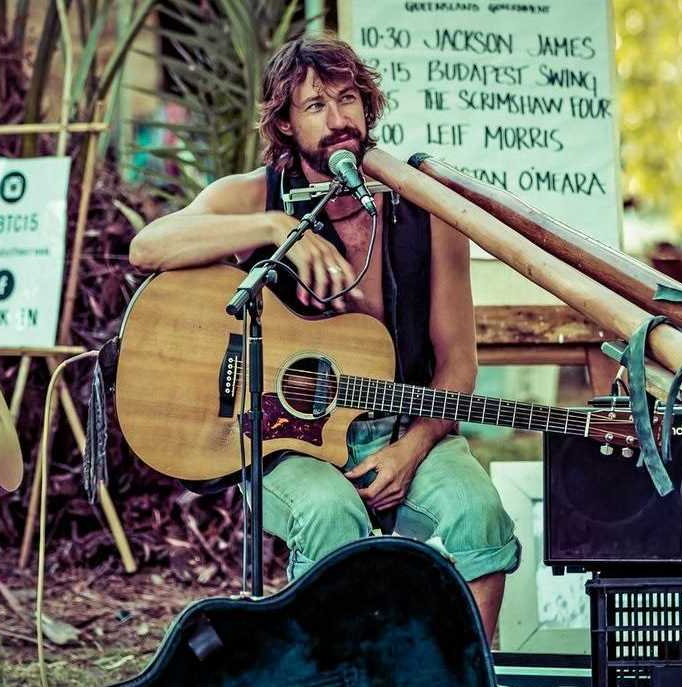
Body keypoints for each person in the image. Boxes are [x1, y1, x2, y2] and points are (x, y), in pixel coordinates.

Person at [129, 33, 520, 647]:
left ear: (368, 106)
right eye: (315, 106)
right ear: (284, 122)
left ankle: (472, 673)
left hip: (404, 427)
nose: (338, 120)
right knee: (329, 513)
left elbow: (458, 367)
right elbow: (147, 246)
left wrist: (410, 452)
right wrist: (277, 226)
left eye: (347, 99)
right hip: (284, 439)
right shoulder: (256, 196)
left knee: (480, 513)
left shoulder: (429, 210)